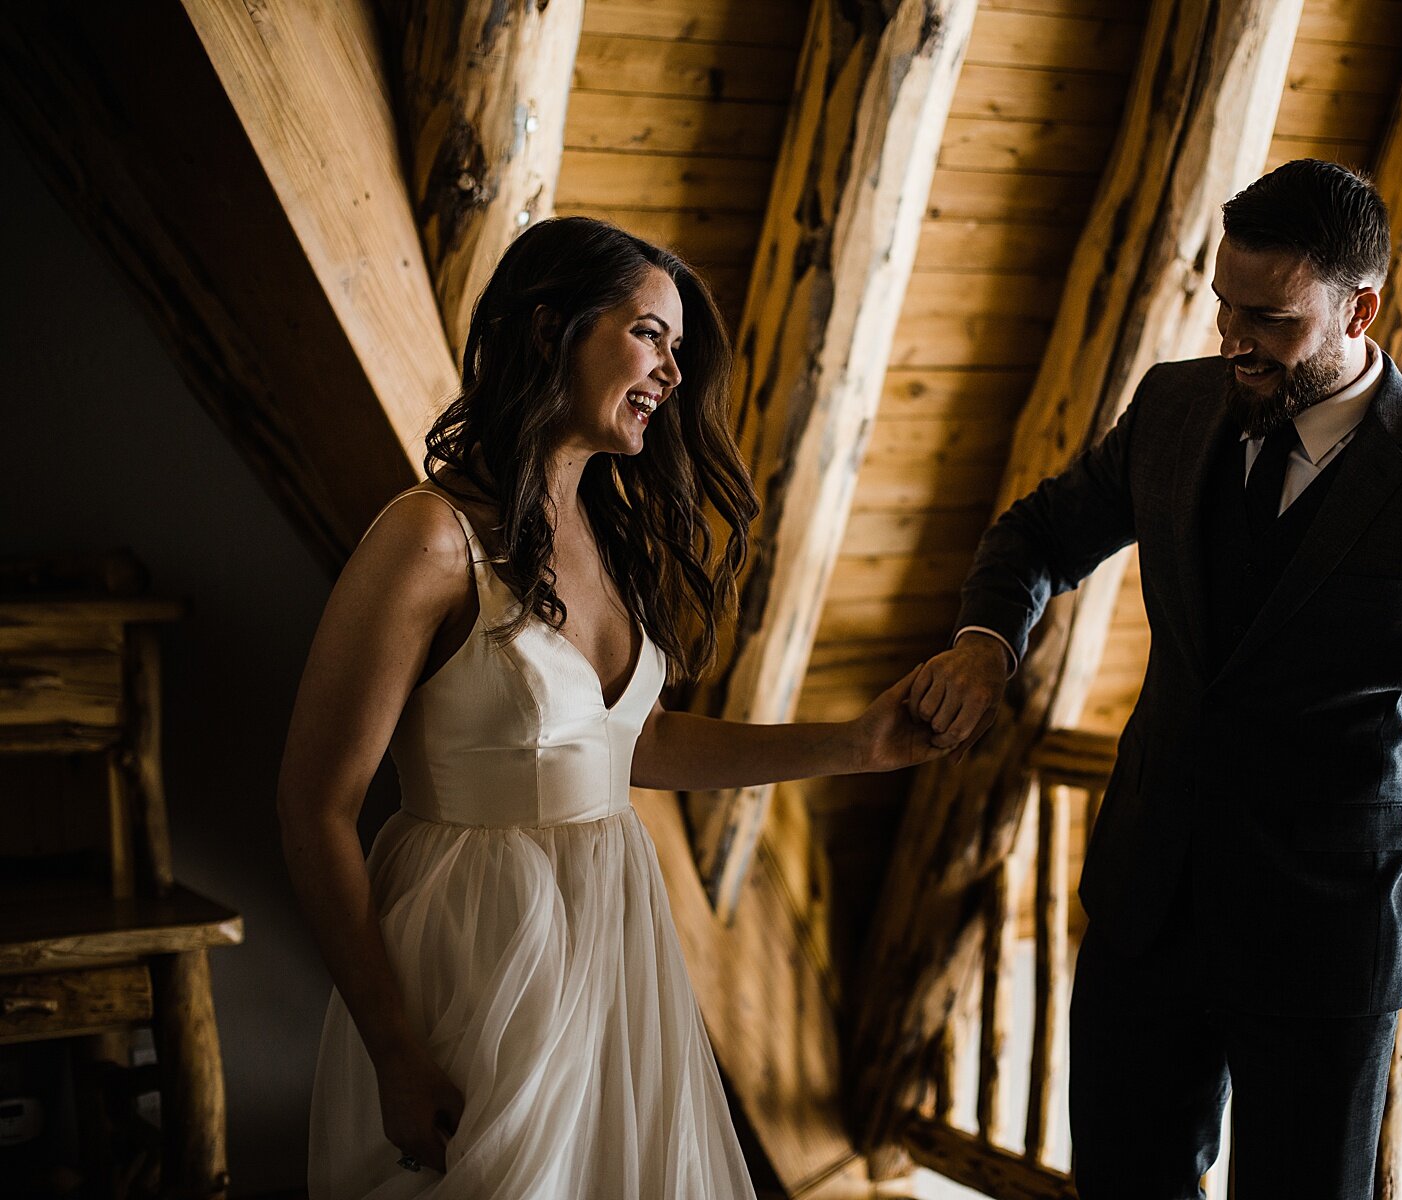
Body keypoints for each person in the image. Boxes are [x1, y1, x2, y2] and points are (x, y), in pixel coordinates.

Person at [908, 160, 1402, 1197]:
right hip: (1144, 909)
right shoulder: (1174, 405)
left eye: (1271, 319)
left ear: (1361, 309)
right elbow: (1038, 535)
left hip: (1326, 946)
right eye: (1224, 306)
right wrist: (988, 639)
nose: (1233, 339)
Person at [278, 217, 943, 1199]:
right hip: (481, 949)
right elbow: (314, 806)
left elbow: (630, 742)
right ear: (550, 330)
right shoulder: (428, 539)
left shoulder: (602, 531)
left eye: (679, 348)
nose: (673, 373)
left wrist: (853, 747)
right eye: (649, 334)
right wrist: (394, 1051)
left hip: (616, 942)